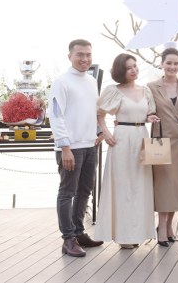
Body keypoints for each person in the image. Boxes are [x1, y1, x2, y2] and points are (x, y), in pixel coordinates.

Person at [94, 53, 160, 249]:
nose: (134, 70)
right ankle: (123, 236)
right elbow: (99, 113)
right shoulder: (113, 91)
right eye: (129, 67)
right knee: (123, 187)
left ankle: (137, 233)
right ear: (120, 70)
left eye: (135, 66)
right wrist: (105, 132)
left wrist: (150, 118)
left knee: (140, 186)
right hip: (122, 139)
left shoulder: (145, 90)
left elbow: (147, 112)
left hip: (142, 137)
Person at [49, 39, 104, 257]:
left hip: (90, 145)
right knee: (67, 193)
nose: (85, 59)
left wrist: (99, 132)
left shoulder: (91, 81)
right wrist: (64, 147)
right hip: (70, 148)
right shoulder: (61, 82)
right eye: (80, 54)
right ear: (70, 56)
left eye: (88, 54)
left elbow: (92, 111)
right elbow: (56, 115)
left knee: (84, 191)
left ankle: (79, 233)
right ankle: (68, 239)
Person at [147, 47, 178, 247]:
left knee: (177, 186)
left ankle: (168, 225)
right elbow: (145, 110)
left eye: (176, 63)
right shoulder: (151, 87)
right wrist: (147, 116)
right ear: (162, 64)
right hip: (159, 141)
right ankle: (162, 226)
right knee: (163, 185)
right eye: (169, 63)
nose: (172, 67)